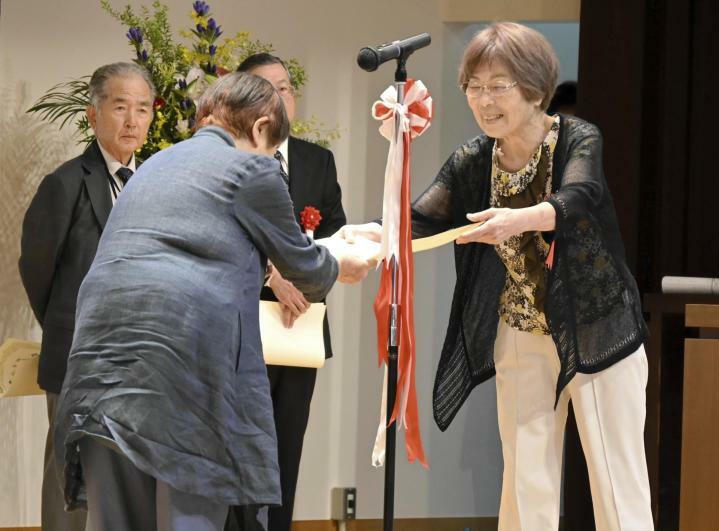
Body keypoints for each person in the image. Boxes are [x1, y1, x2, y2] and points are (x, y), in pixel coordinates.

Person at [339, 22, 653, 531]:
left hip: (598, 328)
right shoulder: (474, 160)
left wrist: (519, 219)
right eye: (474, 87)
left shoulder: (577, 137)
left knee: (617, 480)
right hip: (523, 328)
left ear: (533, 88)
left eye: (498, 86)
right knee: (525, 477)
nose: (484, 100)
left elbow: (579, 199)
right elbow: (421, 218)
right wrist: (371, 233)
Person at [52, 72, 369, 531]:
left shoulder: (155, 165)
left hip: (97, 370)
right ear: (261, 129)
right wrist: (343, 261)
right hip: (181, 367)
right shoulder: (253, 170)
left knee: (116, 523)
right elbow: (308, 272)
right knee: (188, 518)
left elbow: (189, 243)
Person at [18, 61, 155, 531]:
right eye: (120, 108)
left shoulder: (157, 185)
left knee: (133, 476)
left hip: (143, 358)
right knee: (68, 480)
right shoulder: (65, 184)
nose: (132, 121)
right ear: (93, 116)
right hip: (78, 355)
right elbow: (38, 273)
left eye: (142, 109)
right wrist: (71, 328)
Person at [225, 53, 346, 531]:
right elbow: (225, 231)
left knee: (285, 449)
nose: (279, 97)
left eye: (286, 87)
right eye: (265, 89)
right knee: (236, 445)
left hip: (299, 329)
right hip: (240, 328)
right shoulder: (232, 158)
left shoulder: (318, 160)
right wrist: (273, 272)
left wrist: (304, 274)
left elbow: (336, 233)